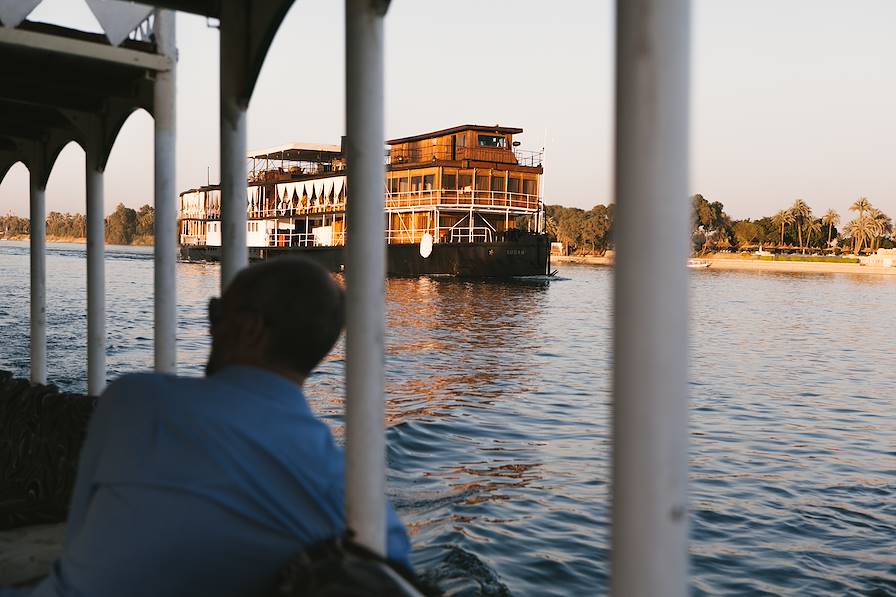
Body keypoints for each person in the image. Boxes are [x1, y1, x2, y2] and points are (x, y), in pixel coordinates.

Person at [13, 257, 411, 596]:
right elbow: (391, 567)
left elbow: (80, 535)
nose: (210, 328)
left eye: (216, 313)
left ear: (251, 329)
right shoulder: (338, 486)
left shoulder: (133, 401)